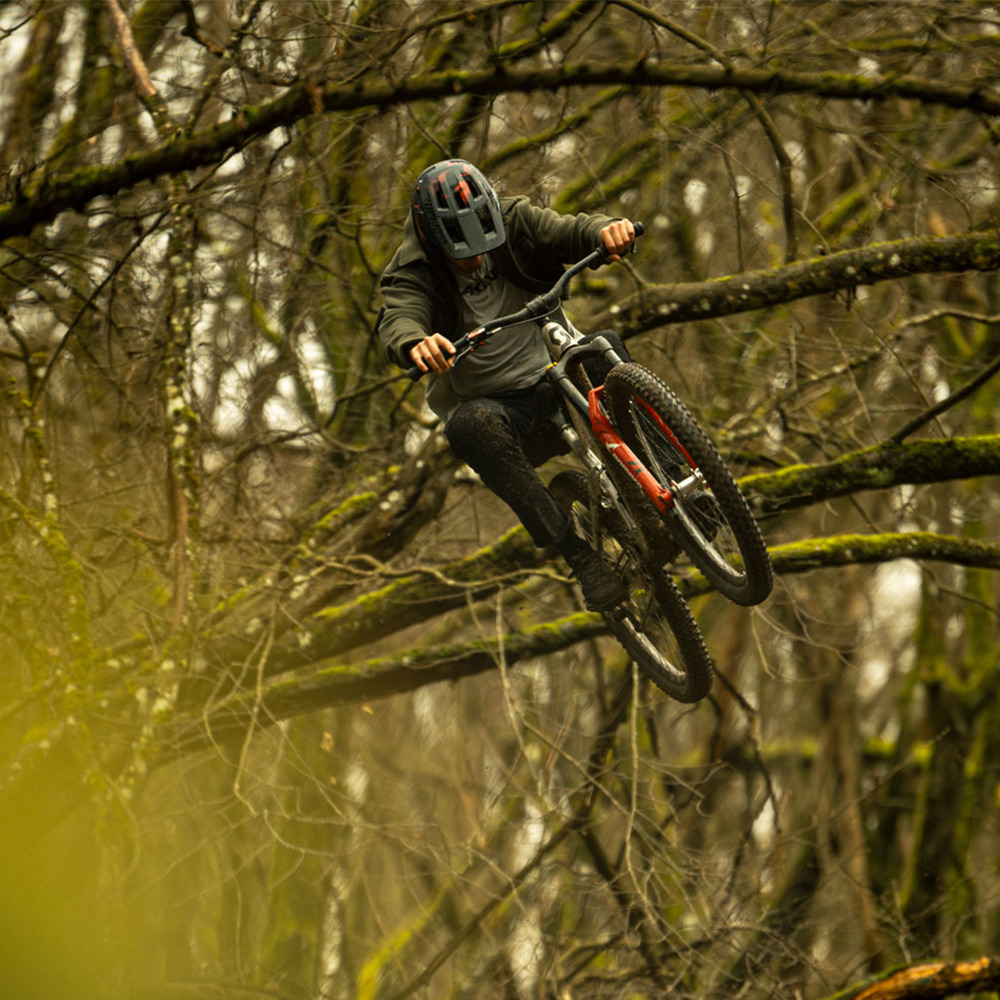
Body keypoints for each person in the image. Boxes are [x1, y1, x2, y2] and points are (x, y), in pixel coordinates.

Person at [377, 158, 637, 611]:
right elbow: (400, 315)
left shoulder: (516, 219)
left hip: (559, 374)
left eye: (482, 240)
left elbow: (569, 230)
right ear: (432, 239)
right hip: (505, 417)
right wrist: (415, 342)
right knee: (468, 426)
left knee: (605, 349)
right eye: (462, 252)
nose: (475, 258)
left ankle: (672, 477)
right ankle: (579, 557)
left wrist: (605, 231)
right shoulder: (412, 271)